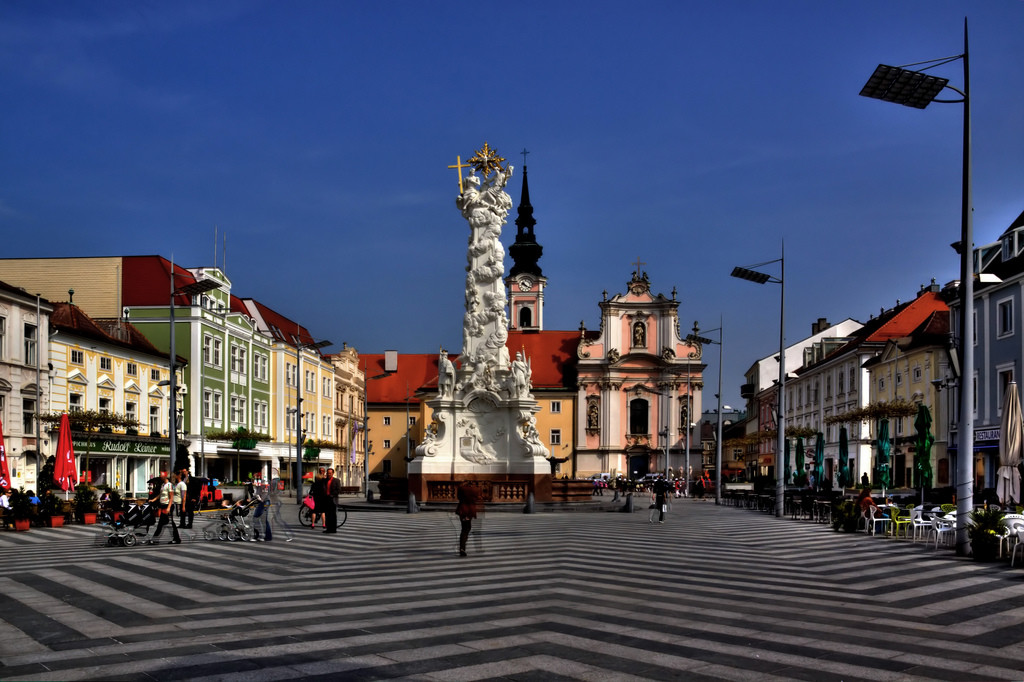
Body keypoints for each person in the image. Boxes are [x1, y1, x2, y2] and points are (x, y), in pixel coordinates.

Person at [148, 473, 181, 545]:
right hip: (163, 506)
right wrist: (153, 500)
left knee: (165, 524)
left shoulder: (169, 485)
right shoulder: (163, 485)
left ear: (165, 477)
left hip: (167, 506)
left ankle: (155, 539)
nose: (160, 477)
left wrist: (168, 507)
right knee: (166, 523)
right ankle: (176, 539)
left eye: (161, 476)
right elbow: (160, 494)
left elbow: (171, 497)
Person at [455, 480, 480, 556]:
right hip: (469, 511)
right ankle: (462, 548)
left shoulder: (461, 488)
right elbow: (477, 498)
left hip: (462, 510)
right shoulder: (475, 489)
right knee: (466, 529)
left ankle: (462, 548)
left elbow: (458, 497)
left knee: (464, 529)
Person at [323, 468, 341, 534]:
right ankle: (328, 528)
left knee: (333, 515)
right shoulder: (325, 481)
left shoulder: (336, 481)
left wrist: (332, 495)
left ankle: (333, 529)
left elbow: (338, 490)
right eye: (328, 473)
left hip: (333, 499)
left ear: (333, 473)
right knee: (327, 515)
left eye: (330, 473)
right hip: (326, 499)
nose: (328, 474)